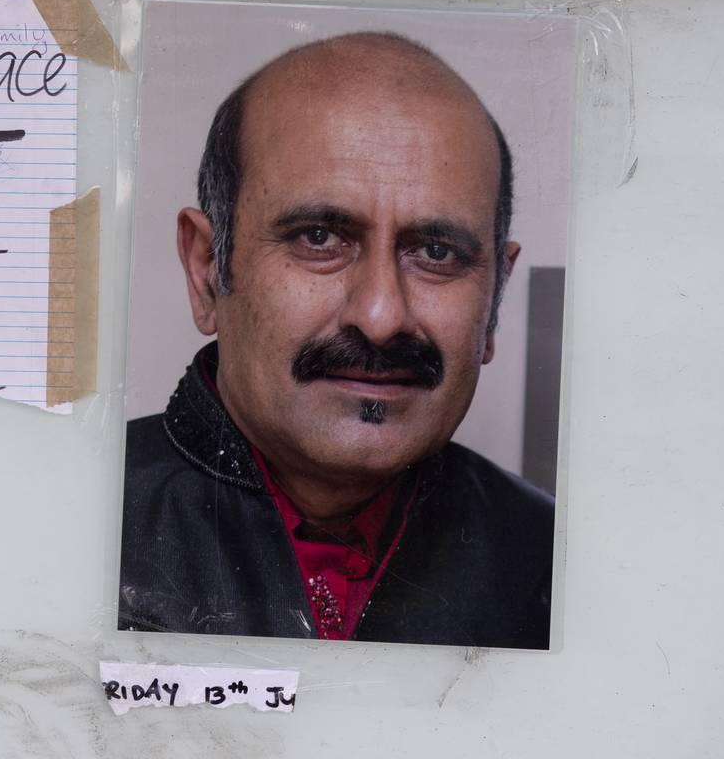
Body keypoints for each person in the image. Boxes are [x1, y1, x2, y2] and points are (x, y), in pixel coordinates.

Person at [118, 32, 554, 648]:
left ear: (495, 301)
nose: (380, 317)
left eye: (436, 252)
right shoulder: (56, 517)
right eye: (319, 237)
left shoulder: (560, 566)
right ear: (207, 270)